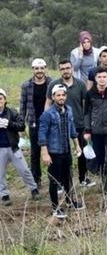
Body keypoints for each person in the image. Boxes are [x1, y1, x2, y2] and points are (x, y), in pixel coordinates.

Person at [39, 85, 83, 219]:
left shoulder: (68, 110)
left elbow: (72, 130)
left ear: (66, 96)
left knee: (68, 178)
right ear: (53, 97)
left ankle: (70, 201)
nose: (61, 97)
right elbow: (42, 134)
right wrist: (45, 153)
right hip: (54, 152)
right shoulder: (47, 114)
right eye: (58, 95)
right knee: (54, 181)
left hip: (66, 151)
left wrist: (77, 146)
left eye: (63, 95)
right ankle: (55, 208)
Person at [47, 60, 92, 188]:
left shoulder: (80, 84)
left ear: (72, 68)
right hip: (59, 126)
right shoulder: (54, 85)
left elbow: (87, 104)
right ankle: (61, 182)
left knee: (81, 152)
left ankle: (83, 178)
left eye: (67, 68)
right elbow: (48, 102)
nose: (65, 71)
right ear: (59, 70)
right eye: (62, 69)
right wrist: (46, 120)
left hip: (78, 124)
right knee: (61, 155)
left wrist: (87, 122)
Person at [0, 89, 40, 206]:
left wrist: (9, 124)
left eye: (1, 98)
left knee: (24, 170)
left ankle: (34, 189)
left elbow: (22, 126)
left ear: (5, 100)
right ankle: (4, 195)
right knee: (0, 174)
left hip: (13, 148)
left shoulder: (12, 112)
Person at [19, 57, 52, 189]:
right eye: (37, 68)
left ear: (45, 69)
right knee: (35, 153)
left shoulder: (52, 83)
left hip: (49, 123)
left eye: (42, 68)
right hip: (33, 123)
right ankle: (36, 179)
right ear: (33, 70)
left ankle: (53, 177)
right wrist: (21, 125)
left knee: (52, 150)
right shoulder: (26, 85)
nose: (39, 70)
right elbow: (22, 106)